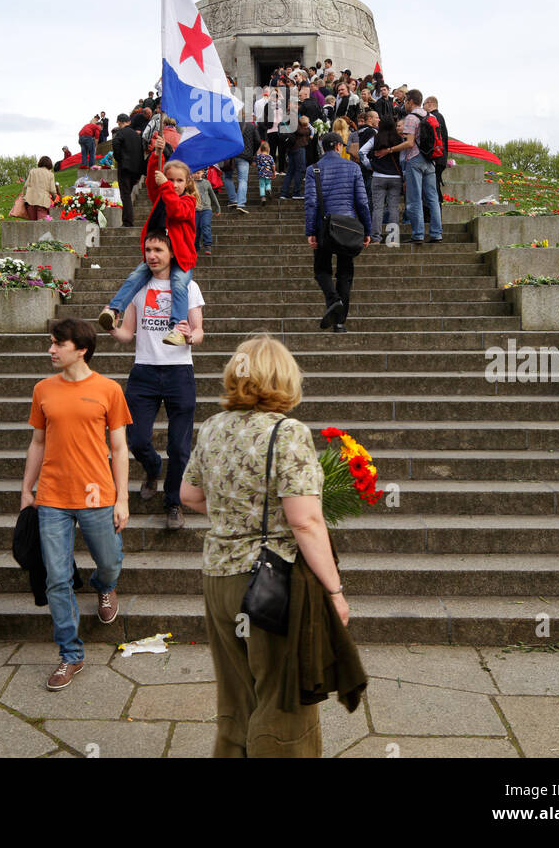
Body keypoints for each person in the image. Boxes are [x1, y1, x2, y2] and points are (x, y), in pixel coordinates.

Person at [180, 335, 348, 758]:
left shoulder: (213, 426)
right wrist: (335, 591)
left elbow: (188, 495)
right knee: (283, 697)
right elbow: (305, 520)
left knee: (236, 694)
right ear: (283, 377)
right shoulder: (287, 431)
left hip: (218, 576)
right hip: (271, 582)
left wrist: (233, 518)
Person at [21, 317, 131, 690]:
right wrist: (26, 490)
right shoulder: (42, 390)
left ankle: (104, 584)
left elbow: (119, 448)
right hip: (52, 497)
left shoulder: (109, 390)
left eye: (58, 344)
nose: (50, 350)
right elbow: (37, 442)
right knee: (57, 578)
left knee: (110, 560)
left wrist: (123, 498)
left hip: (98, 494)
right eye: (51, 343)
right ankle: (70, 655)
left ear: (80, 349)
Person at [108, 232, 204, 530]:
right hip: (145, 372)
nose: (152, 255)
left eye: (158, 250)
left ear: (172, 253)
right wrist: (111, 327)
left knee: (179, 446)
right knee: (136, 439)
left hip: (179, 372)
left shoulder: (188, 286)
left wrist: (190, 336)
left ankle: (173, 502)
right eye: (148, 250)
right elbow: (127, 334)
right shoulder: (138, 287)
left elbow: (199, 332)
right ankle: (152, 468)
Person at [98, 135, 197, 348]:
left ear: (187, 183)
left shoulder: (188, 201)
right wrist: (156, 154)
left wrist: (167, 188)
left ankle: (177, 328)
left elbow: (176, 211)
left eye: (179, 181)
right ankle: (113, 310)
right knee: (134, 277)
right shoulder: (163, 194)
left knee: (179, 284)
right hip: (158, 256)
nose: (174, 185)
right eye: (170, 180)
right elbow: (153, 181)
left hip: (181, 258)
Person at [304, 132, 371, 332]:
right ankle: (340, 322)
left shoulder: (313, 169)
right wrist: (367, 229)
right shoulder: (353, 167)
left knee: (321, 269)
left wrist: (310, 231)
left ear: (323, 148)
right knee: (345, 272)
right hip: (348, 226)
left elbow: (311, 203)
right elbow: (362, 201)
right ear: (339, 147)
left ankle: (333, 300)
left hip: (323, 225)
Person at [393, 90, 443, 245]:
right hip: (430, 160)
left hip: (415, 159)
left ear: (410, 101)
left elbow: (409, 143)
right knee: (433, 198)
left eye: (406, 101)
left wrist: (390, 150)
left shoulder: (411, 118)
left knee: (414, 199)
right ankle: (436, 234)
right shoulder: (431, 116)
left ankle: (418, 234)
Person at [363, 117, 404, 246]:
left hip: (378, 176)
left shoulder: (375, 138)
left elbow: (361, 152)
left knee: (377, 208)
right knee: (393, 208)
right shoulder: (399, 140)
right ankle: (392, 239)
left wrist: (370, 165)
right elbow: (403, 159)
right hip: (396, 177)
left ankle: (376, 238)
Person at [111, 113, 145, 228]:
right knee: (127, 194)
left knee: (125, 195)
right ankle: (128, 220)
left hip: (125, 168)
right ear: (129, 121)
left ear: (120, 122)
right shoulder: (136, 135)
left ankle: (127, 222)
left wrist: (119, 158)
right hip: (136, 169)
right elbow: (141, 151)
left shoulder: (121, 132)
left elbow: (115, 143)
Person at [223, 119, 259, 214]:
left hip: (230, 155)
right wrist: (251, 152)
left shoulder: (228, 125)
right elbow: (258, 140)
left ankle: (233, 199)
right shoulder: (251, 126)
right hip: (245, 156)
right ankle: (241, 203)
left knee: (227, 177)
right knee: (243, 180)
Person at [278, 116, 312, 200]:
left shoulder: (289, 121)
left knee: (290, 171)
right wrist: (308, 128)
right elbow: (303, 131)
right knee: (300, 169)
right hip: (298, 148)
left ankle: (284, 193)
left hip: (291, 149)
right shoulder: (296, 123)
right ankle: (296, 192)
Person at [424, 96, 449, 204]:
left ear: (429, 104)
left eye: (423, 104)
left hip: (436, 156)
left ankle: (435, 212)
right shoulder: (439, 116)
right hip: (441, 156)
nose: (423, 107)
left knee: (433, 187)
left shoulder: (433, 117)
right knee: (434, 184)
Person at [22, 157, 59, 222]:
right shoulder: (50, 174)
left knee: (32, 224)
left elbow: (26, 185)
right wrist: (55, 197)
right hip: (42, 201)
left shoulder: (32, 171)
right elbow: (52, 190)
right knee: (42, 225)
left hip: (30, 200)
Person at [194, 168, 221, 254]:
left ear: (202, 172)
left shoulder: (206, 183)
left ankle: (207, 245)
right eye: (195, 173)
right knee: (196, 228)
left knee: (205, 225)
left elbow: (213, 196)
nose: (197, 175)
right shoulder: (190, 183)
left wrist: (218, 207)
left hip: (206, 209)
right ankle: (195, 246)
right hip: (195, 210)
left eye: (198, 173)